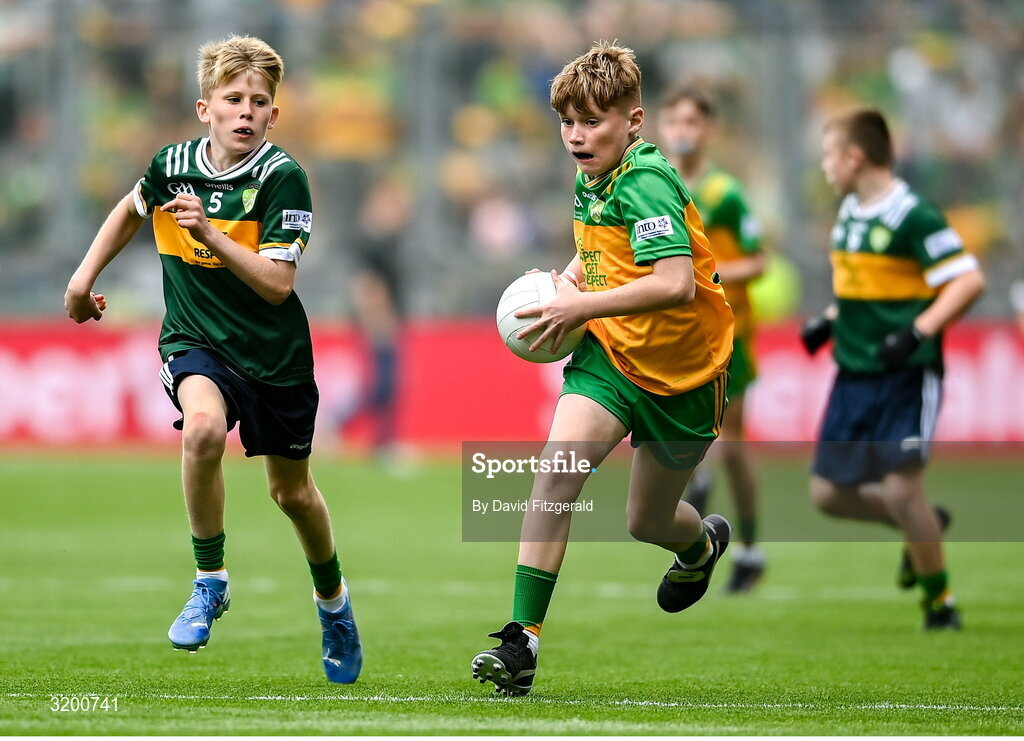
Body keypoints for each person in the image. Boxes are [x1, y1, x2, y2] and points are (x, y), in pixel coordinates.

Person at [64, 35, 362, 682]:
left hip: (273, 355)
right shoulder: (172, 164)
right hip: (195, 339)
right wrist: (83, 278)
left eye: (259, 101)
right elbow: (131, 208)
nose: (246, 111)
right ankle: (210, 578)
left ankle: (333, 601)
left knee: (293, 493)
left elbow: (278, 284)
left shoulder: (283, 177)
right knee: (200, 429)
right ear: (206, 108)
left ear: (275, 114)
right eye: (233, 99)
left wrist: (208, 233)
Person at [470, 42, 735, 697]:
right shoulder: (590, 175)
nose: (577, 136)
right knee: (554, 476)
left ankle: (699, 546)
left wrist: (579, 303)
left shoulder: (646, 180)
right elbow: (598, 255)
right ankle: (521, 640)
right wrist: (560, 283)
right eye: (568, 122)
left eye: (593, 122)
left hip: (687, 375)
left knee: (646, 520)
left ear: (634, 122)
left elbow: (675, 284)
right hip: (611, 357)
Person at [801, 108, 984, 631]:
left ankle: (940, 603)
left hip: (907, 373)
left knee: (904, 490)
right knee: (827, 494)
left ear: (855, 157)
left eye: (829, 155)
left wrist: (918, 332)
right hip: (854, 372)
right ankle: (924, 526)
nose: (825, 165)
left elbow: (967, 281)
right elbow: (868, 289)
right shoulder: (851, 213)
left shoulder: (914, 215)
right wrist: (830, 320)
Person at [658, 87, 767, 593]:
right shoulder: (654, 184)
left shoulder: (726, 193)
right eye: (674, 121)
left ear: (709, 131)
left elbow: (759, 261)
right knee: (703, 440)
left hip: (728, 335)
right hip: (677, 335)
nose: (682, 131)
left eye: (692, 123)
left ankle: (747, 545)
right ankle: (699, 509)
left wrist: (709, 271)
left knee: (733, 444)